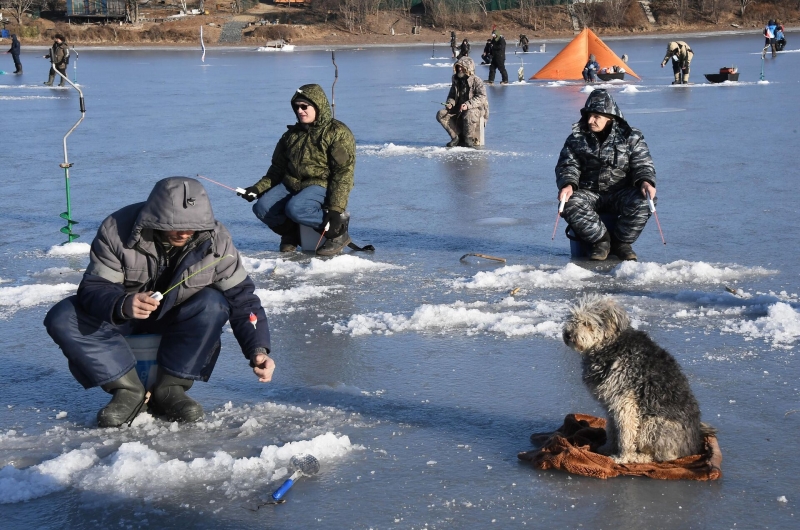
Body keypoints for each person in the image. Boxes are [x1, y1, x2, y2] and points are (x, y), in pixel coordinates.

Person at [44, 177, 275, 427]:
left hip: (179, 321)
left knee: (213, 302)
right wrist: (123, 304)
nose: (185, 233)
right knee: (63, 316)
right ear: (154, 218)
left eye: (193, 227)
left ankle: (171, 387)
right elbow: (94, 288)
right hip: (121, 320)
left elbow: (243, 300)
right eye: (175, 226)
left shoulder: (217, 241)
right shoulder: (116, 230)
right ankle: (127, 390)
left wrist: (258, 350)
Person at [239, 84, 356, 256]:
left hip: (320, 183)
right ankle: (291, 234)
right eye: (297, 107)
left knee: (296, 208)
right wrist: (257, 189)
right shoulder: (291, 135)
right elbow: (277, 168)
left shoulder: (337, 132)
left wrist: (336, 209)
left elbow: (343, 173)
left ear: (318, 106)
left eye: (304, 106)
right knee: (262, 209)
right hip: (291, 183)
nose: (300, 110)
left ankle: (338, 233)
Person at [555, 89, 656, 261]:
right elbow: (568, 164)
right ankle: (601, 241)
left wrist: (645, 182)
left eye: (596, 116)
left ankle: (621, 243)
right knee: (568, 203)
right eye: (588, 115)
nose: (590, 120)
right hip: (590, 192)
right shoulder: (576, 138)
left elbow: (642, 164)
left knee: (645, 201)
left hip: (621, 192)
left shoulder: (632, 137)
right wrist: (568, 184)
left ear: (609, 116)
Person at [436, 56, 489, 148]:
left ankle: (468, 138)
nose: (459, 69)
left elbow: (482, 97)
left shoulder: (477, 80)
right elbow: (452, 95)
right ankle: (456, 137)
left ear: (468, 68)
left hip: (475, 109)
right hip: (458, 109)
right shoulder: (456, 79)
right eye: (458, 67)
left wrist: (468, 105)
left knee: (469, 113)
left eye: (462, 67)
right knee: (441, 114)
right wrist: (450, 103)